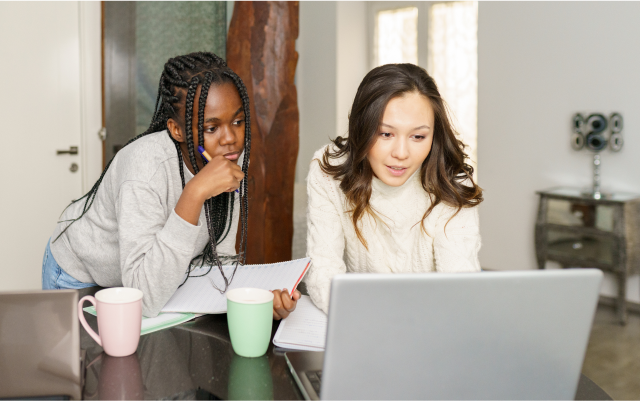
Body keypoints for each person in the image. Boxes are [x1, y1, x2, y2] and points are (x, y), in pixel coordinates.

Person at [43, 52, 300, 318]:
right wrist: (195, 192)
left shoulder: (228, 156)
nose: (230, 138)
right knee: (81, 359)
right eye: (212, 128)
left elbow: (220, 258)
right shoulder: (144, 167)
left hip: (145, 278)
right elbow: (144, 299)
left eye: (237, 121)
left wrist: (254, 304)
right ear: (177, 130)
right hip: (80, 275)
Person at [304, 63, 484, 313]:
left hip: (430, 325)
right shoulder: (329, 171)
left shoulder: (451, 182)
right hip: (359, 320)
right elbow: (323, 272)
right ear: (361, 128)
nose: (401, 154)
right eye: (385, 134)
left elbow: (460, 289)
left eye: (418, 137)